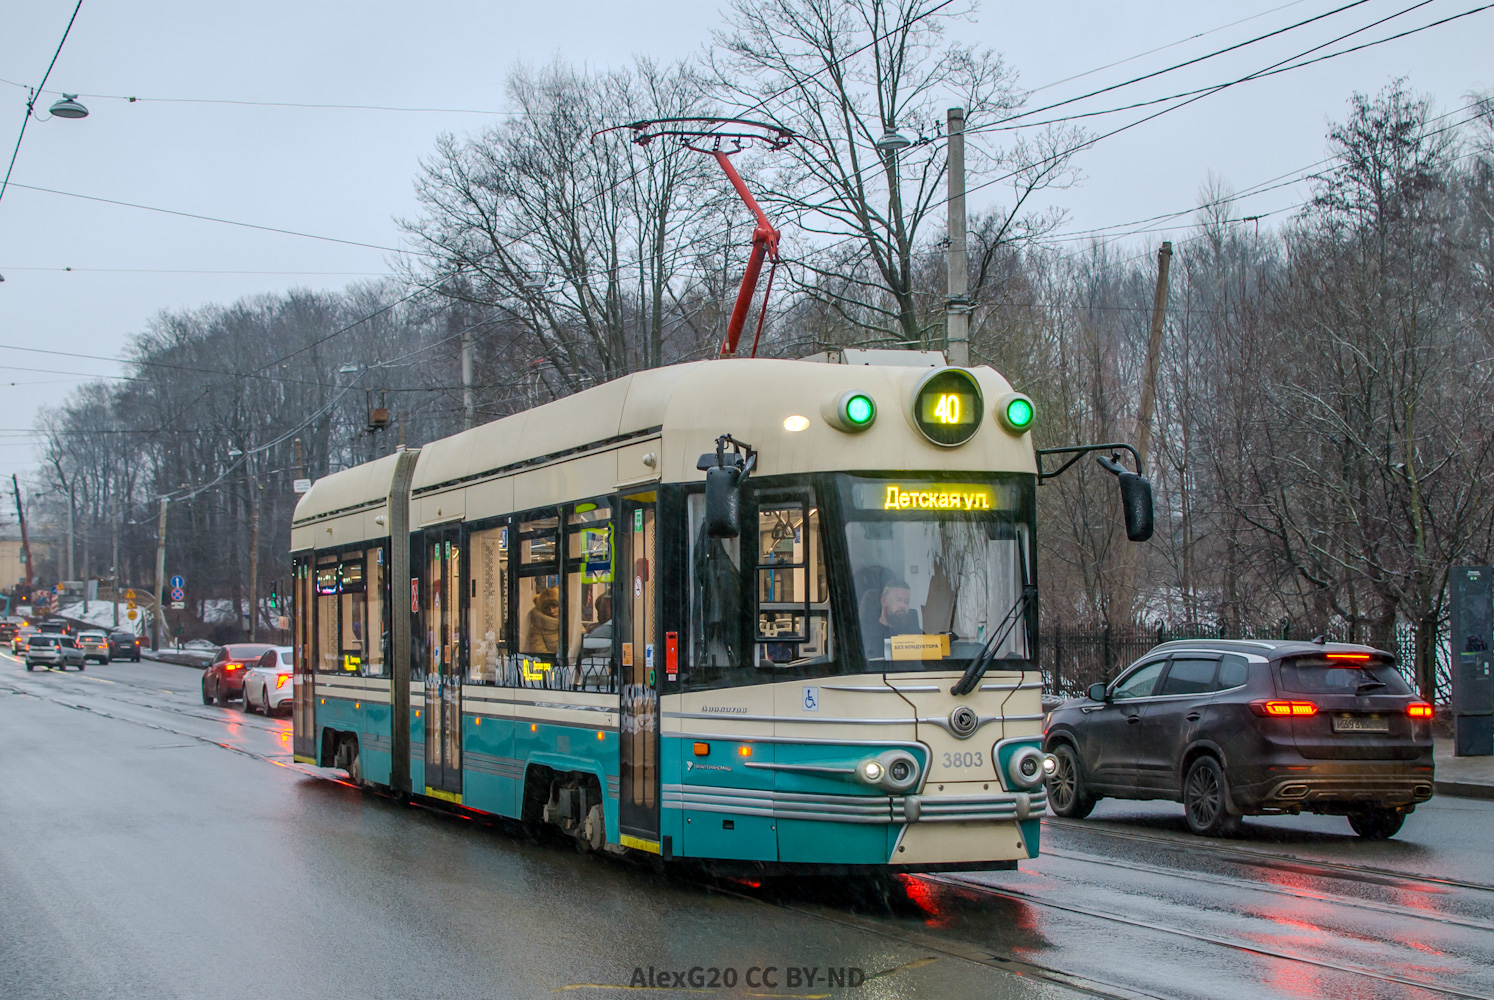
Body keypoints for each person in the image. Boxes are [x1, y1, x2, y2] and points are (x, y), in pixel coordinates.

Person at [863, 579, 921, 649]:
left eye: (906, 601)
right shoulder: (866, 634)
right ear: (884, 601)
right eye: (898, 600)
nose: (903, 605)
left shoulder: (914, 631)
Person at [524, 586, 560, 654]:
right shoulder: (537, 630)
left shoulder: (571, 624)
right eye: (547, 608)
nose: (551, 611)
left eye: (554, 606)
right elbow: (540, 653)